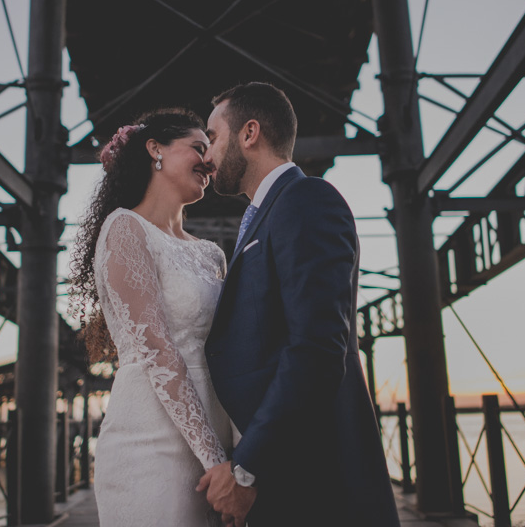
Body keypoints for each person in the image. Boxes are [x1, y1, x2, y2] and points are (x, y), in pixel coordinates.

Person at [197, 83, 400, 527]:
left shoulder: (306, 200)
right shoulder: (268, 212)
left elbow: (317, 347)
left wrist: (247, 469)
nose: (204, 156)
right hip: (287, 471)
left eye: (212, 137)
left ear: (249, 133)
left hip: (317, 482)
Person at [68, 108, 233, 526]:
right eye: (198, 147)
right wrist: (212, 457)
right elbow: (157, 348)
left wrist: (236, 458)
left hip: (219, 446)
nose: (209, 161)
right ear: (155, 149)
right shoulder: (125, 228)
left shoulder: (212, 255)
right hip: (150, 445)